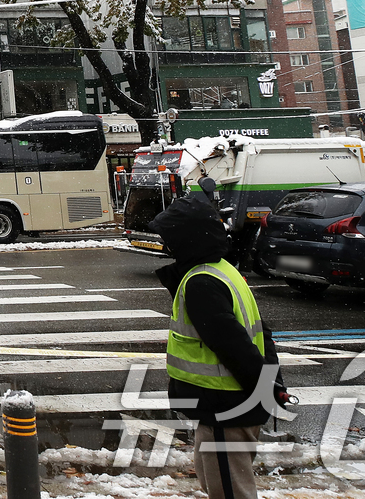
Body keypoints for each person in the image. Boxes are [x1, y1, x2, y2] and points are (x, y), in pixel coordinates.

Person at [149, 192, 289, 499]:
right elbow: (260, 332)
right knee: (216, 482)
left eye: (171, 239)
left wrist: (264, 389)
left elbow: (234, 345)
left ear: (188, 240)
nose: (166, 246)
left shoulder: (202, 282)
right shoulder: (221, 270)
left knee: (230, 491)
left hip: (228, 406)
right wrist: (270, 384)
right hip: (224, 406)